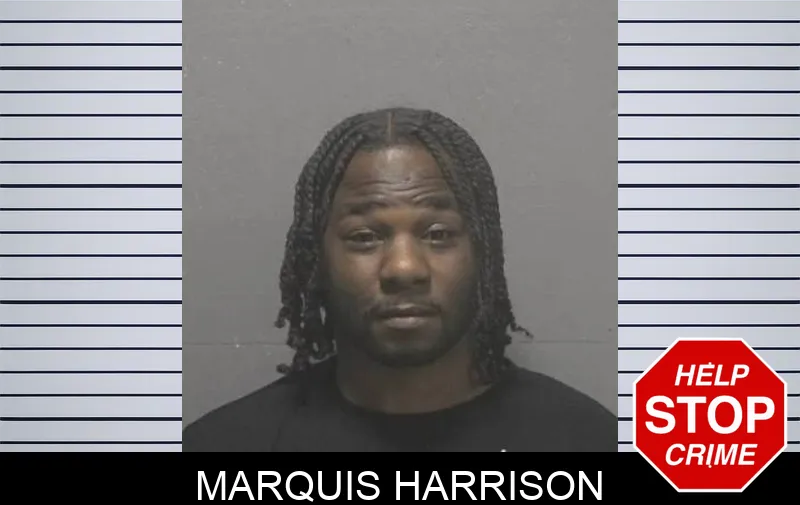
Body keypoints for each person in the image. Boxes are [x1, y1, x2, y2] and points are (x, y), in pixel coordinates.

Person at [183, 107, 617, 452]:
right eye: (364, 237)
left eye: (438, 234)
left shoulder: (589, 443)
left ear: (484, 254)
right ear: (316, 259)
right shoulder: (225, 448)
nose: (404, 268)